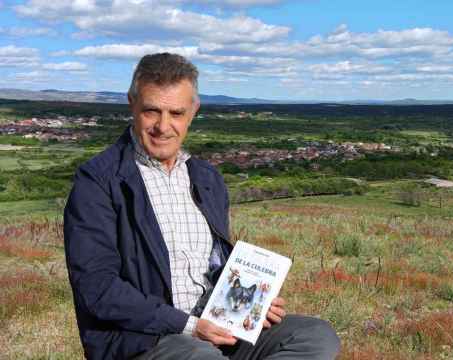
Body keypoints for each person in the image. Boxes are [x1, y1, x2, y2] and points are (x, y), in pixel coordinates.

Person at [64, 53, 340, 360]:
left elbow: (215, 265)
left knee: (315, 336)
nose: (163, 126)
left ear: (194, 110)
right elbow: (97, 288)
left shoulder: (206, 177)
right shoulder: (99, 181)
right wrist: (190, 326)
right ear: (132, 104)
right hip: (145, 341)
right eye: (151, 111)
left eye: (176, 113)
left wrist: (252, 301)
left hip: (217, 329)